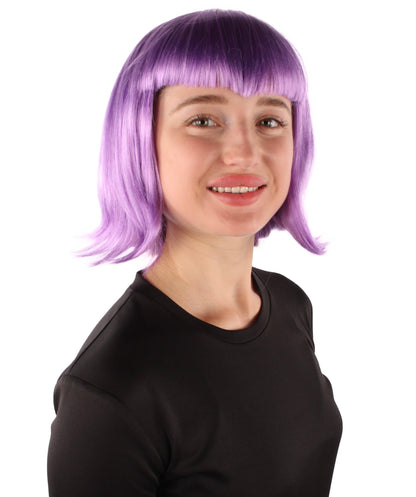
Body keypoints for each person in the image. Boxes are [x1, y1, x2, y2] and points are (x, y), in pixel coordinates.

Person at [47, 9, 342, 497]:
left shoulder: (291, 306)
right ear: (141, 141)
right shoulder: (111, 391)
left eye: (270, 120)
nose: (245, 153)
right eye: (203, 120)